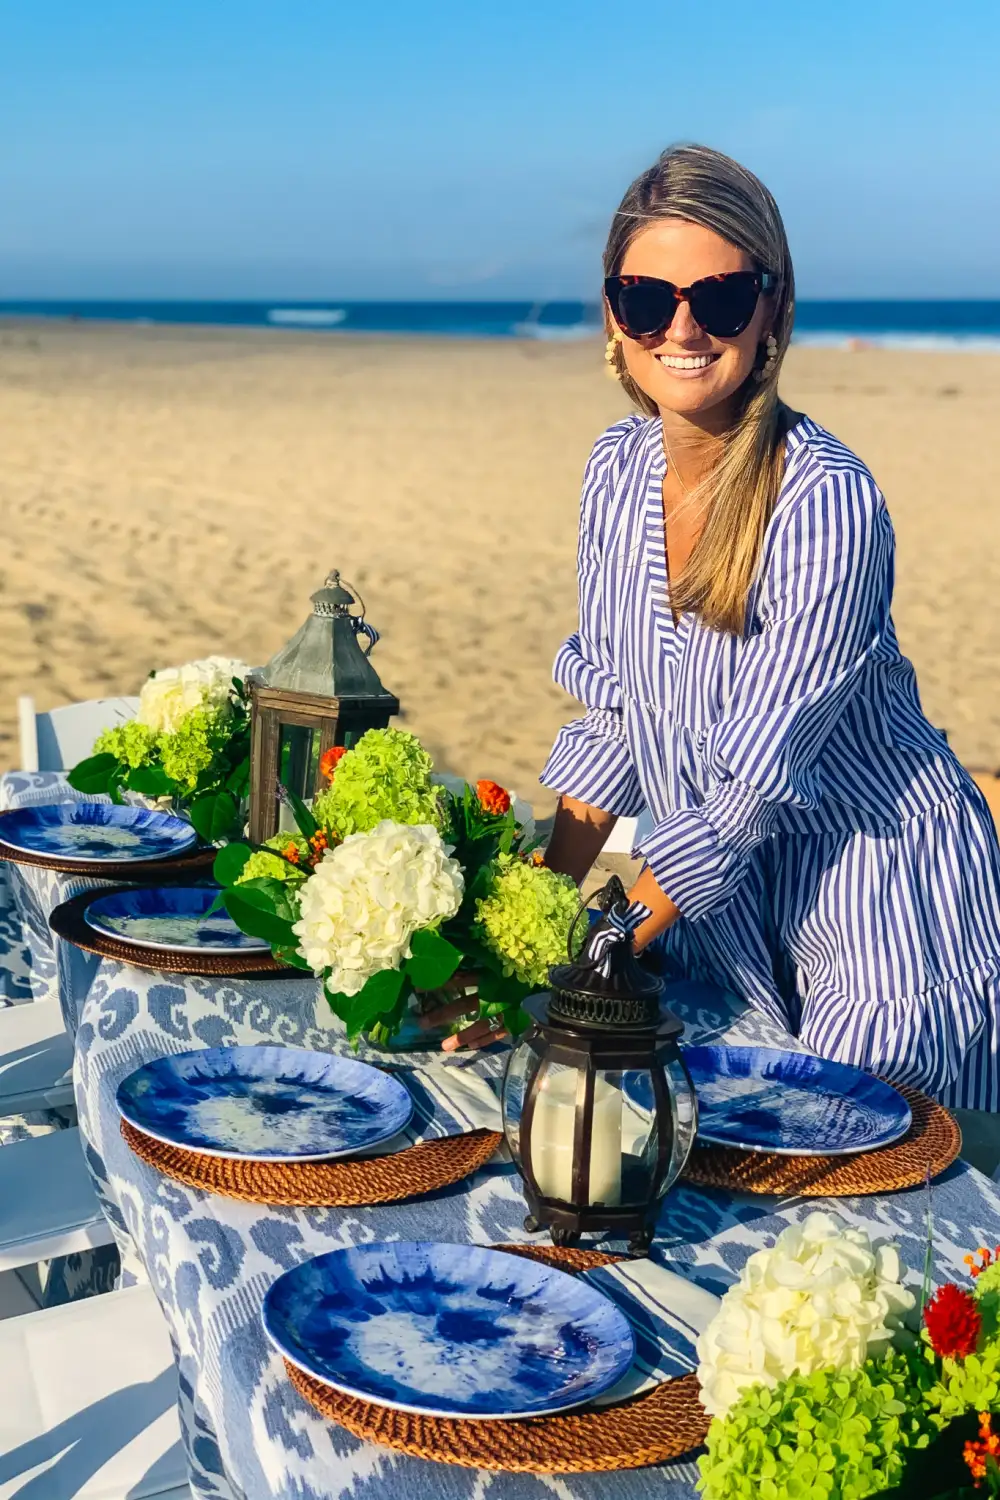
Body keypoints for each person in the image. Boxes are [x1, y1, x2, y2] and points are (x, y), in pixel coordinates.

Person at [536, 143, 1000, 1167]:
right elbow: (613, 721)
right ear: (614, 319)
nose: (685, 328)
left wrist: (601, 937)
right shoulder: (613, 473)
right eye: (648, 298)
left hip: (880, 904)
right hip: (722, 907)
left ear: (773, 311)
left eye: (722, 295)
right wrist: (527, 915)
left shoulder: (827, 502)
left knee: (846, 1199)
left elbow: (744, 794)